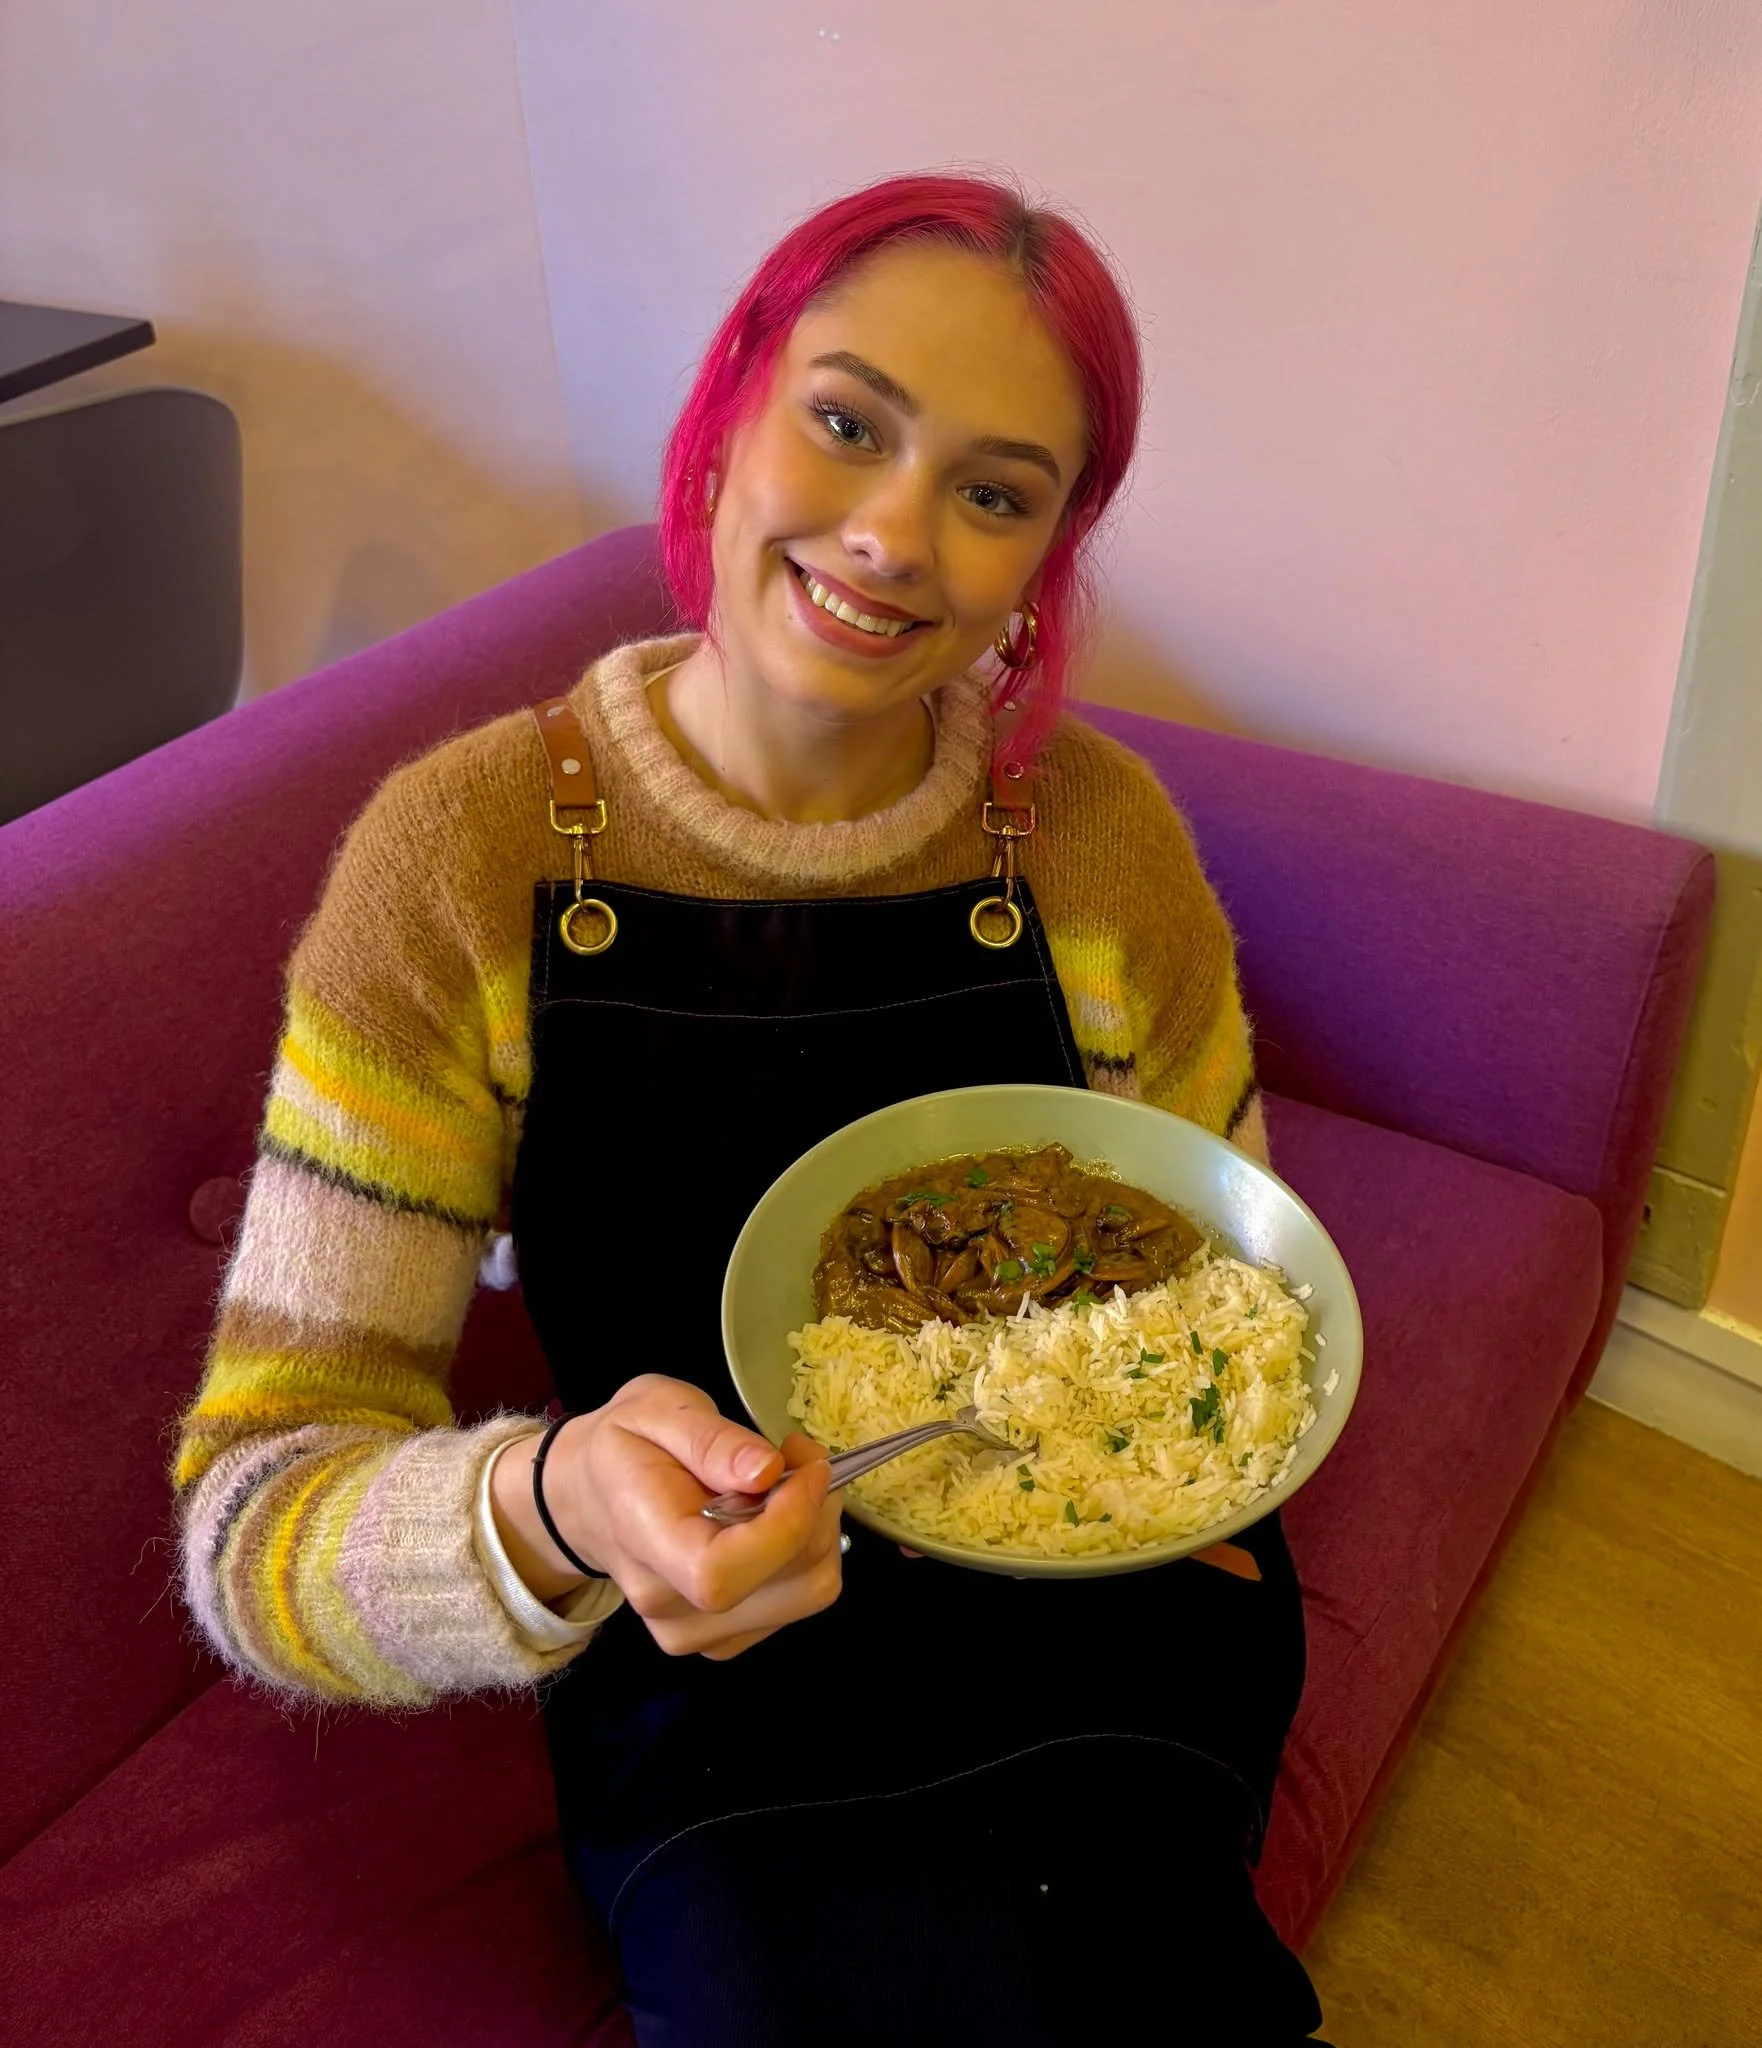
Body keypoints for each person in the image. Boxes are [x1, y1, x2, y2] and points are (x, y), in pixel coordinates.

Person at [172, 171, 1331, 2046]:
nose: (891, 535)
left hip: (1106, 1601)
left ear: (1044, 563)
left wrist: (1206, 1491)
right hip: (715, 1662)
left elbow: (1231, 1274)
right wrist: (554, 1498)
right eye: (848, 423)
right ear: (726, 414)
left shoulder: (1097, 842)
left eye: (993, 493)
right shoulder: (457, 861)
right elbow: (253, 1530)